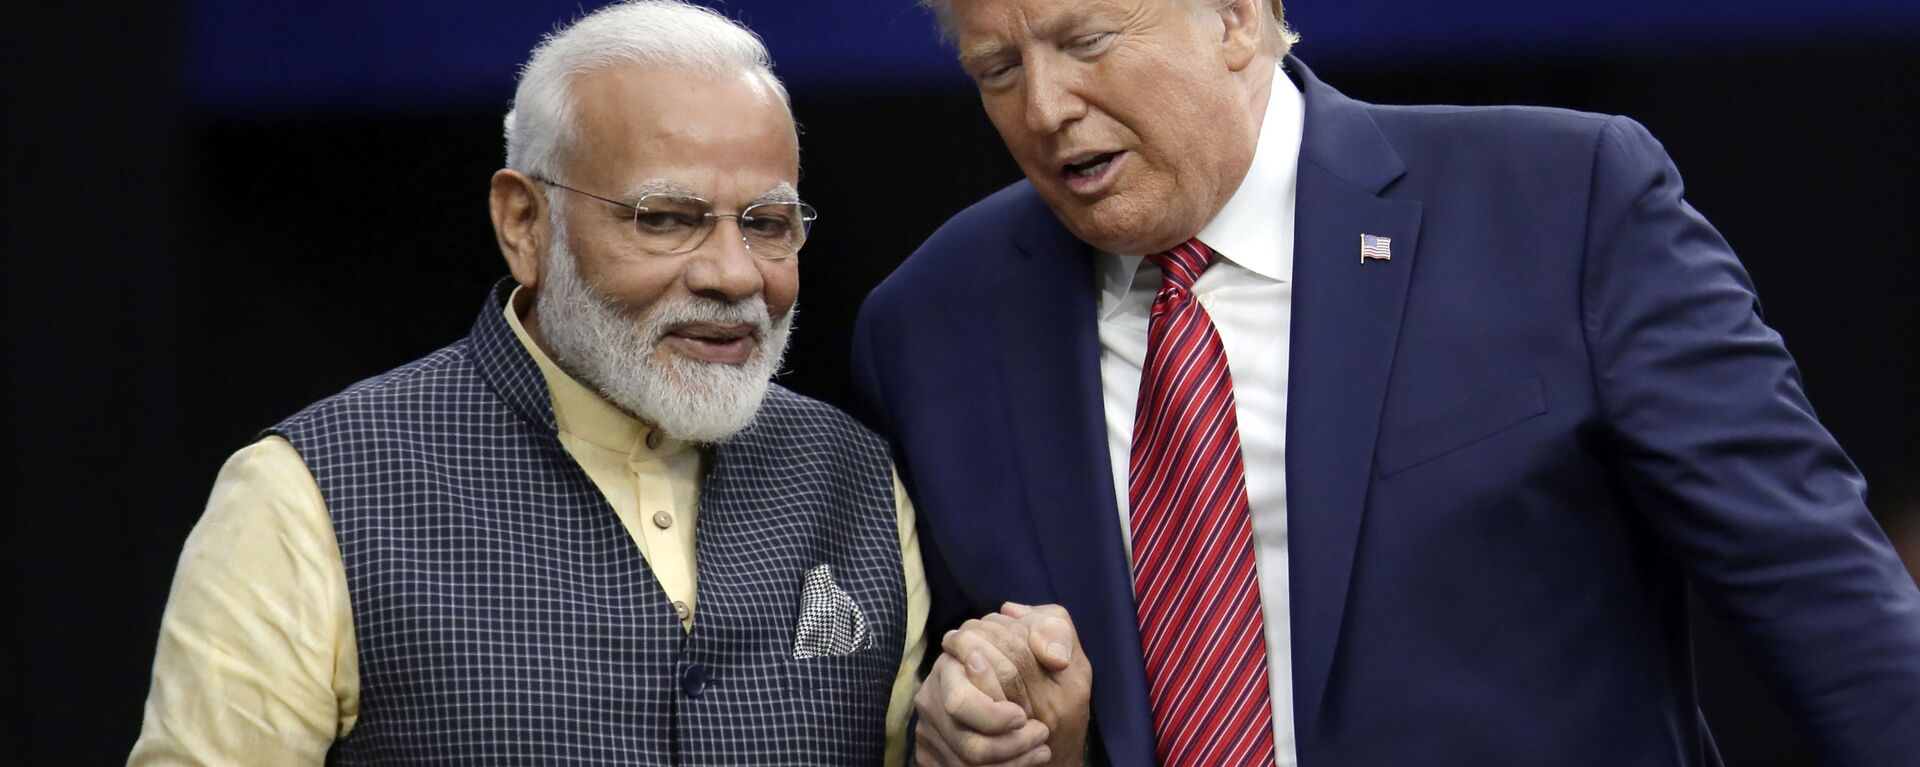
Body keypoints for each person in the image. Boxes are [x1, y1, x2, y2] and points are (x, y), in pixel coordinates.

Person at [851, 0, 1920, 765]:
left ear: (1234, 18)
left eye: (1085, 42)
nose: (1043, 107)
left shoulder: (1561, 205)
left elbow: (1824, 603)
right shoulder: (934, 325)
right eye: (998, 70)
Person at [130, 2, 926, 764]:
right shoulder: (308, 495)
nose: (731, 273)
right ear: (523, 223)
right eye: (665, 218)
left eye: (766, 223)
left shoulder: (855, 482)